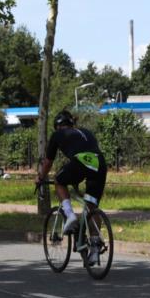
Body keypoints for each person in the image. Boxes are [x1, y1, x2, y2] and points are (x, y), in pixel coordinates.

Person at [36, 110, 107, 265]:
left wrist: (40, 178)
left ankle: (69, 214)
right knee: (91, 206)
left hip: (80, 161)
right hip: (99, 163)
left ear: (57, 126)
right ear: (71, 123)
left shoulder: (57, 135)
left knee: (59, 181)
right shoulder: (86, 131)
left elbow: (48, 162)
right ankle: (95, 249)